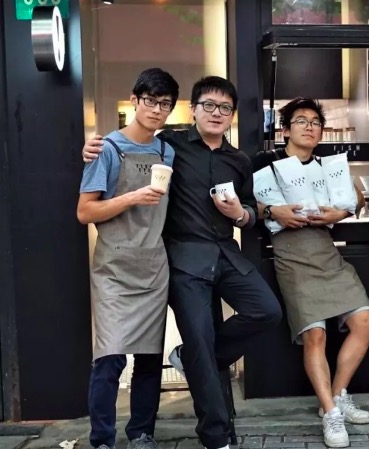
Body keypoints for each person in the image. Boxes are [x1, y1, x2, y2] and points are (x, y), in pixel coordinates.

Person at [82, 76, 282, 449]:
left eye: (225, 108)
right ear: (193, 110)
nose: (216, 113)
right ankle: (214, 436)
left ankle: (187, 359)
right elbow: (130, 144)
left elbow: (251, 209)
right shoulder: (171, 145)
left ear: (232, 115)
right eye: (209, 105)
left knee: (266, 312)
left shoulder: (238, 159)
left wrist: (241, 214)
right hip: (181, 258)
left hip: (224, 253)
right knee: (189, 341)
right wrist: (93, 146)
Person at [252, 97, 369, 448]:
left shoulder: (328, 165)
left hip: (326, 250)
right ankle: (331, 415)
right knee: (315, 335)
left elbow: (357, 198)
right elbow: (247, 204)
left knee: (365, 320)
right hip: (291, 255)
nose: (309, 127)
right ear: (285, 130)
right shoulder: (266, 162)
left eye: (315, 122)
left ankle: (335, 398)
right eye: (301, 121)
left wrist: (341, 213)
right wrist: (273, 211)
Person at [77, 68, 179, 449]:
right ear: (134, 100)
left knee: (150, 358)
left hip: (153, 265)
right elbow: (85, 212)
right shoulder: (106, 149)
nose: (157, 109)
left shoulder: (167, 151)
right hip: (114, 269)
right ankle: (102, 439)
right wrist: (133, 197)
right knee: (109, 357)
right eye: (150, 100)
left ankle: (141, 433)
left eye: (165, 104)